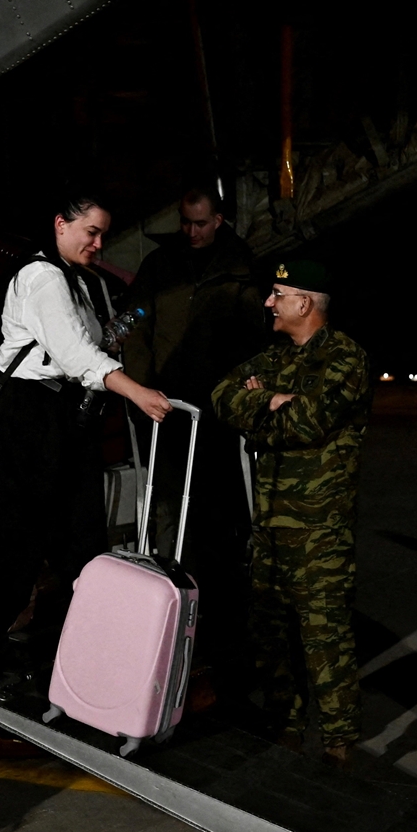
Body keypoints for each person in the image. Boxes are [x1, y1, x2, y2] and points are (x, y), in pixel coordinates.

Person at [0, 195, 173, 693]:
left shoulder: (81, 281)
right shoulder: (42, 277)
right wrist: (136, 392)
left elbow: (87, 347)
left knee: (82, 544)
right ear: (60, 223)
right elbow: (77, 355)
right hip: (31, 415)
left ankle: (70, 655)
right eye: (91, 232)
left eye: (103, 235)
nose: (98, 244)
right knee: (14, 543)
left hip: (66, 417)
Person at [212, 261, 370, 763]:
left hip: (319, 527)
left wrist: (262, 409)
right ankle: (285, 727)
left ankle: (339, 742)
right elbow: (221, 396)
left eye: (277, 294)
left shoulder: (346, 359)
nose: (268, 302)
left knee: (325, 634)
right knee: (271, 631)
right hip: (270, 523)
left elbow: (306, 423)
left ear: (304, 303)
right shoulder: (275, 356)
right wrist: (274, 402)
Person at [118, 187, 266, 692]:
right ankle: (164, 610)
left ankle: (221, 630)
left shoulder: (242, 270)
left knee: (220, 520)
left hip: (218, 419)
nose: (192, 231)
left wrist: (236, 399)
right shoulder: (161, 266)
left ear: (219, 220)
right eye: (185, 222)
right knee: (166, 514)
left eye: (201, 223)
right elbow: (137, 325)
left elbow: (253, 344)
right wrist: (141, 391)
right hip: (166, 412)